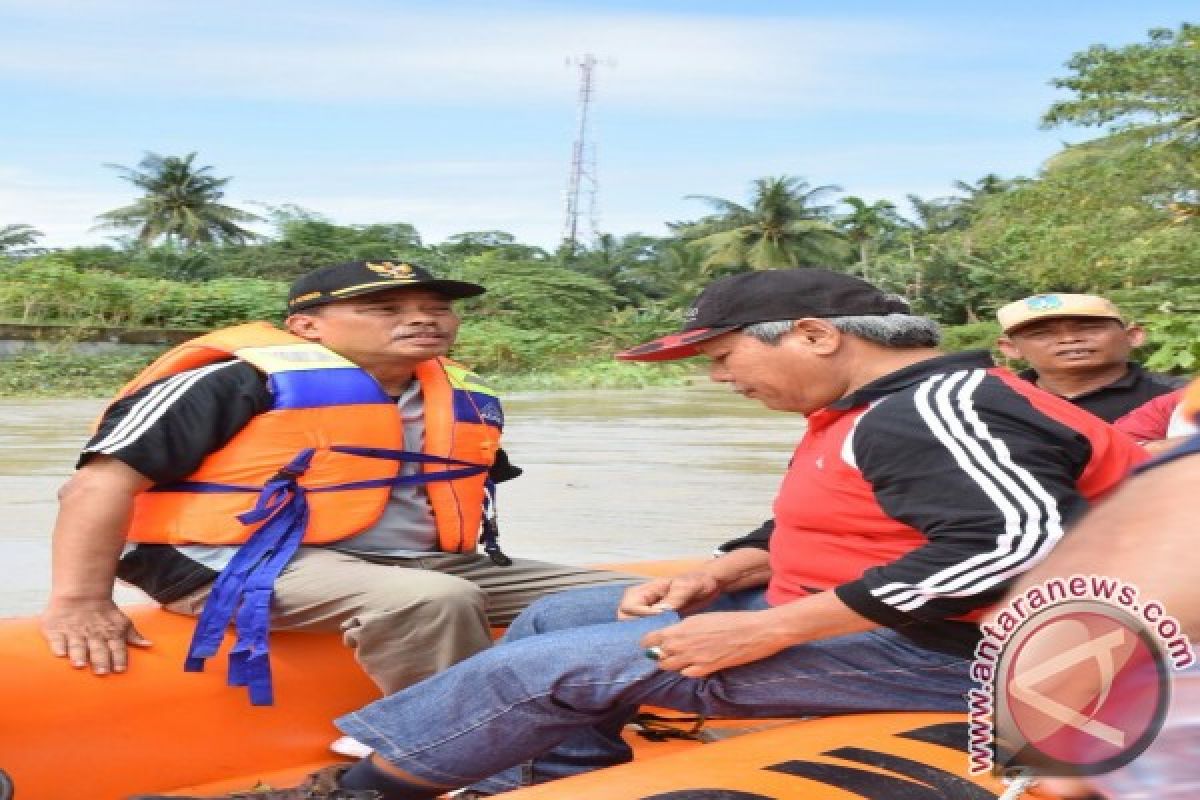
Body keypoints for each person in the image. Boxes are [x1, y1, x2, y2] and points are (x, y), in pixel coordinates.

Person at [134, 268, 1148, 800]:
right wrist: (739, 562)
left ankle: (362, 789)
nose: (719, 378)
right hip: (906, 624)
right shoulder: (875, 409)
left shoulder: (931, 407)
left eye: (721, 357)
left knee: (524, 673)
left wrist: (766, 628)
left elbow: (1013, 545)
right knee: (568, 613)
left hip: (978, 660)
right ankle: (560, 776)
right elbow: (880, 512)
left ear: (811, 336)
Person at [39, 260, 632, 710]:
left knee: (638, 596)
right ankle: (452, 750)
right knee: (433, 602)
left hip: (409, 561)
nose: (423, 318)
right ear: (306, 326)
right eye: (386, 309)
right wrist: (80, 603)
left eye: (436, 307)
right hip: (231, 563)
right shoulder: (234, 382)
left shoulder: (456, 393)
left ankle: (576, 716)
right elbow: (93, 489)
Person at [996, 293, 1184, 422]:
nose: (1069, 339)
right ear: (1011, 349)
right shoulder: (995, 403)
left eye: (1089, 328)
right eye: (1042, 334)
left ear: (1132, 336)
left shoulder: (1182, 397)